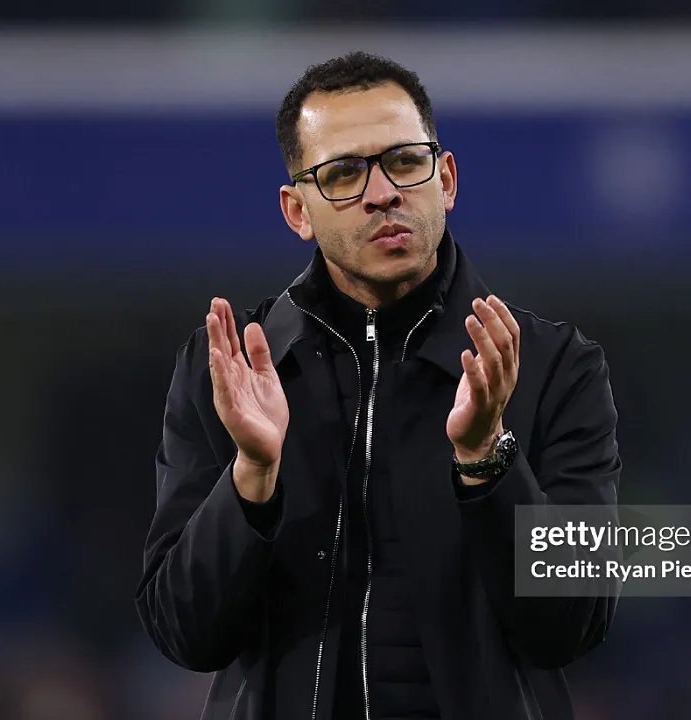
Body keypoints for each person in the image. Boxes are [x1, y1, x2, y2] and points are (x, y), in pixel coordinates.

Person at [134, 51, 622, 720]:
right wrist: (251, 477)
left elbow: (573, 626)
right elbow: (184, 633)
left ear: (445, 179)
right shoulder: (231, 371)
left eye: (404, 161)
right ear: (296, 211)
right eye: (342, 173)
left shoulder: (555, 367)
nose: (383, 192)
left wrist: (487, 460)